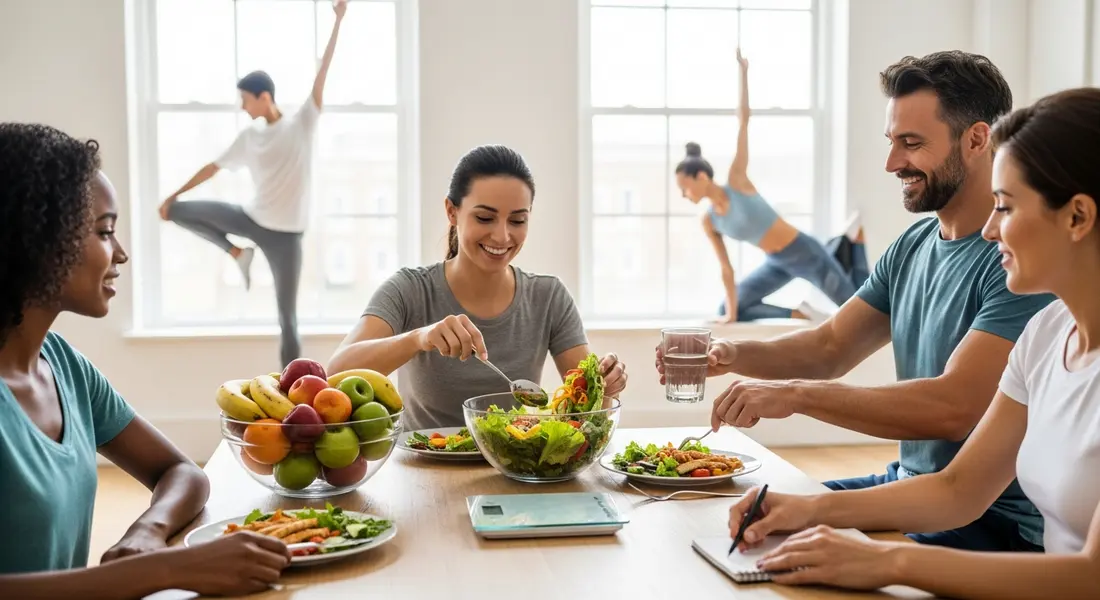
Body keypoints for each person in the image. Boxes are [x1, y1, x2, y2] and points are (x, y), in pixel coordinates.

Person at [657, 50, 1055, 551]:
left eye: (911, 144)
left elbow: (954, 408)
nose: (892, 163)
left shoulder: (1019, 263)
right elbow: (830, 346)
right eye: (891, 143)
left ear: (977, 139)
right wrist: (732, 353)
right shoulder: (913, 245)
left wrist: (796, 396)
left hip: (989, 523)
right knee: (742, 526)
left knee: (780, 552)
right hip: (906, 486)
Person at [723, 87, 1100, 599]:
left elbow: (1091, 576)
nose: (990, 230)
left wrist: (888, 560)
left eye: (1006, 208)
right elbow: (958, 490)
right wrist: (807, 508)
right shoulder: (1046, 335)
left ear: (1077, 217)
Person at [0, 123, 291, 597]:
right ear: (35, 236)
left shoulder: (63, 367)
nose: (121, 254)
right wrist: (164, 571)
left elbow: (182, 472)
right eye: (103, 232)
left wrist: (146, 533)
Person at [329, 145, 628, 431]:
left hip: (515, 471)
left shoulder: (548, 297)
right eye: (485, 218)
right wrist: (419, 338)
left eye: (518, 220)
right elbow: (334, 374)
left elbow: (589, 411)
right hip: (424, 473)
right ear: (452, 211)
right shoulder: (410, 289)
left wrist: (604, 386)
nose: (502, 236)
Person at [158, 0, 349, 369]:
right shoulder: (249, 137)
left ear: (264, 97)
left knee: (287, 320)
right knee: (177, 212)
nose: (243, 107)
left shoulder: (301, 124)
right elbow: (212, 167)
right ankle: (236, 254)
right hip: (250, 219)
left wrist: (338, 20)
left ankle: (291, 388)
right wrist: (172, 195)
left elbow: (322, 71)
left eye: (246, 100)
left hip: (286, 239)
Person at [674, 48, 868, 323]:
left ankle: (854, 242)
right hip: (775, 262)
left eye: (685, 187)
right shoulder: (710, 221)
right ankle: (799, 311)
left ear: (701, 177)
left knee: (860, 309)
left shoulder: (737, 180)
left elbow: (744, 120)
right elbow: (726, 269)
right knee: (728, 310)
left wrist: (744, 72)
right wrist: (730, 316)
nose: (684, 195)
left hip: (803, 252)